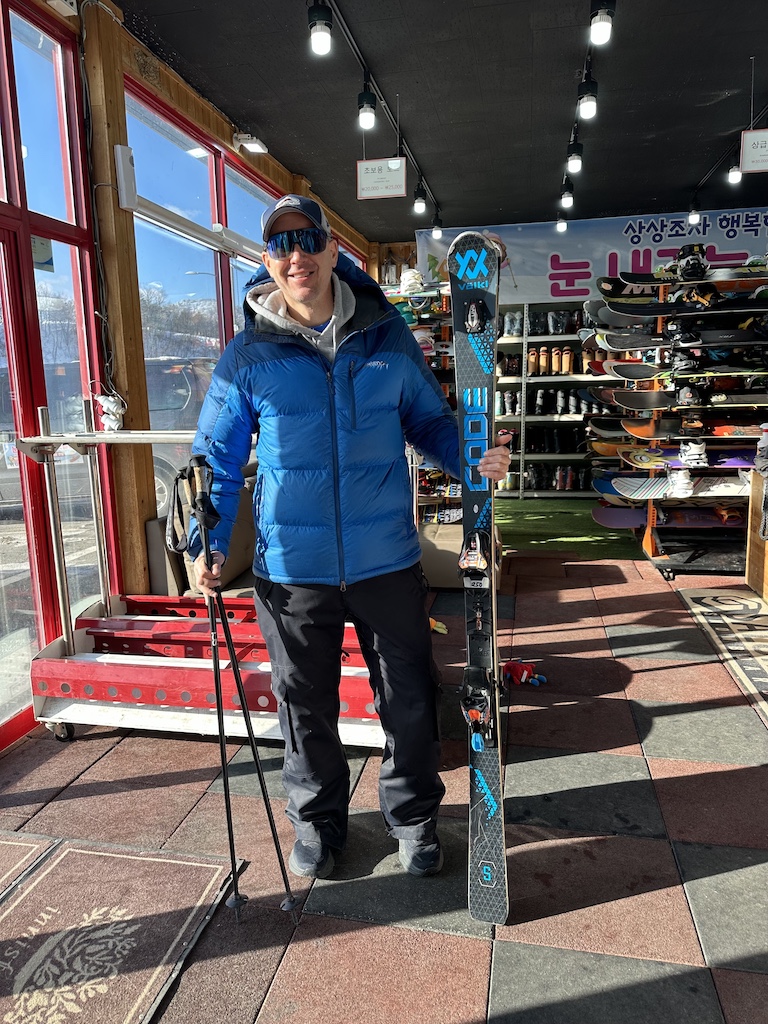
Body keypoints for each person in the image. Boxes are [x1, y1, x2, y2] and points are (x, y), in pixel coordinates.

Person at [188, 194, 512, 880]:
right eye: (281, 245)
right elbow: (214, 458)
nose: (296, 255)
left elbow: (429, 423)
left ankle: (415, 819)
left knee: (409, 698)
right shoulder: (247, 356)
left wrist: (471, 455)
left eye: (307, 239)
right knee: (305, 705)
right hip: (292, 569)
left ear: (334, 250)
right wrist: (207, 543)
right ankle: (318, 822)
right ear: (268, 262)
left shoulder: (387, 336)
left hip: (385, 560)